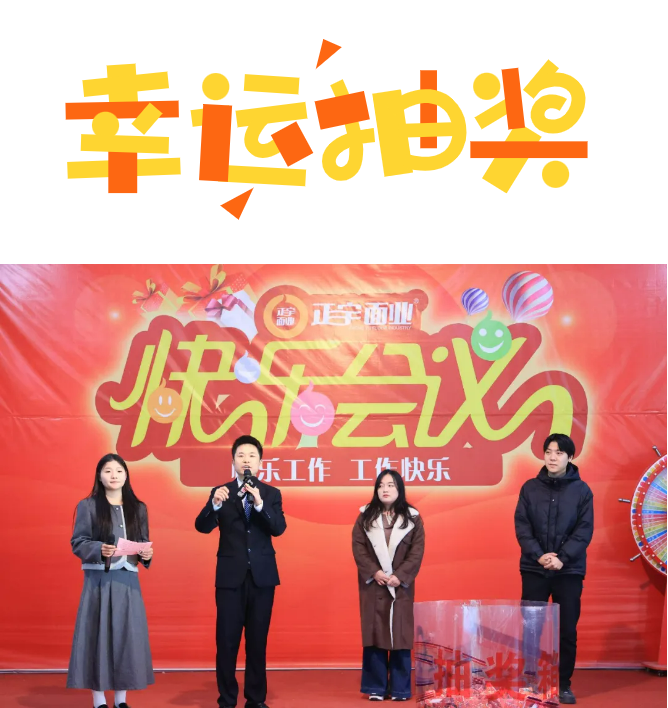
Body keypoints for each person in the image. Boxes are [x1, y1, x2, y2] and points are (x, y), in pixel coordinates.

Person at [195, 435, 287, 708]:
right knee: (226, 641)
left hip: (262, 578)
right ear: (233, 461)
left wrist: (259, 504)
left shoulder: (270, 494)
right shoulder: (221, 492)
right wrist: (214, 505)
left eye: (251, 456)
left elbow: (278, 529)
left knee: (257, 641)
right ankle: (227, 700)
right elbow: (202, 526)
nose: (246, 460)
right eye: (241, 456)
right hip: (230, 578)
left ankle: (256, 699)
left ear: (260, 462)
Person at [67, 453, 154, 708]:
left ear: (126, 475)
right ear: (99, 476)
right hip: (99, 580)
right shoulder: (88, 506)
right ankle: (98, 700)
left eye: (118, 471)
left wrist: (146, 554)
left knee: (127, 637)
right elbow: (78, 542)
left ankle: (121, 700)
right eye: (107, 471)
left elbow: (143, 541)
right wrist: (99, 549)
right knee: (98, 636)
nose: (113, 475)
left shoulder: (138, 508)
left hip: (128, 581)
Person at [514, 433, 594, 705]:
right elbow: (522, 526)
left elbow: (584, 530)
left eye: (559, 453)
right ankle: (529, 681)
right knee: (531, 628)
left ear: (570, 457)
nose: (552, 457)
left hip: (568, 571)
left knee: (567, 629)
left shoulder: (582, 490)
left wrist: (562, 558)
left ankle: (563, 684)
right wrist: (539, 556)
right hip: (534, 569)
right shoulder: (529, 488)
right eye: (549, 451)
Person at [352, 469, 425, 702]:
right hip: (374, 584)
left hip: (400, 585)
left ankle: (400, 689)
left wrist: (400, 576)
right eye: (381, 485)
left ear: (399, 489)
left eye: (391, 485)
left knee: (400, 634)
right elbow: (358, 547)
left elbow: (417, 552)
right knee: (374, 633)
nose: (385, 489)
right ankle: (376, 687)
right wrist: (375, 572)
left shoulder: (413, 517)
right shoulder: (365, 516)